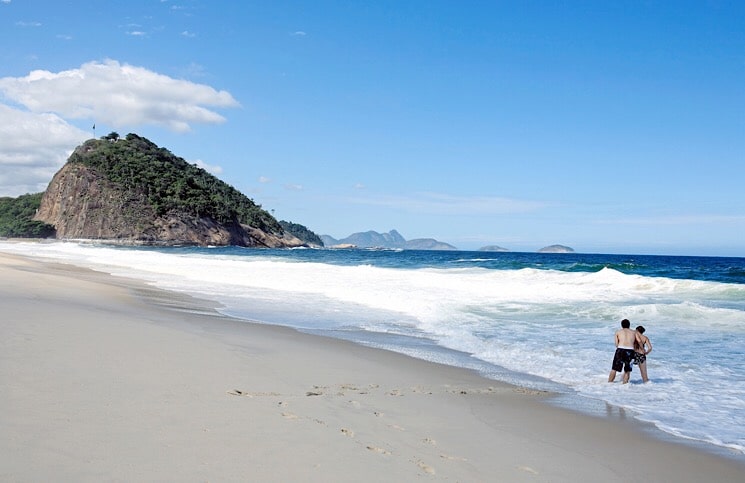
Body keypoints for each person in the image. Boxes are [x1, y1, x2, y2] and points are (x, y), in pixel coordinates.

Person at [608, 319, 641, 384]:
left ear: (621, 325)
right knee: (627, 370)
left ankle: (609, 384)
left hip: (620, 349)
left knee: (614, 369)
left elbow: (616, 344)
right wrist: (642, 349)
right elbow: (639, 341)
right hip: (630, 350)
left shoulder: (618, 332)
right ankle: (625, 385)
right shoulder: (634, 332)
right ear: (629, 325)